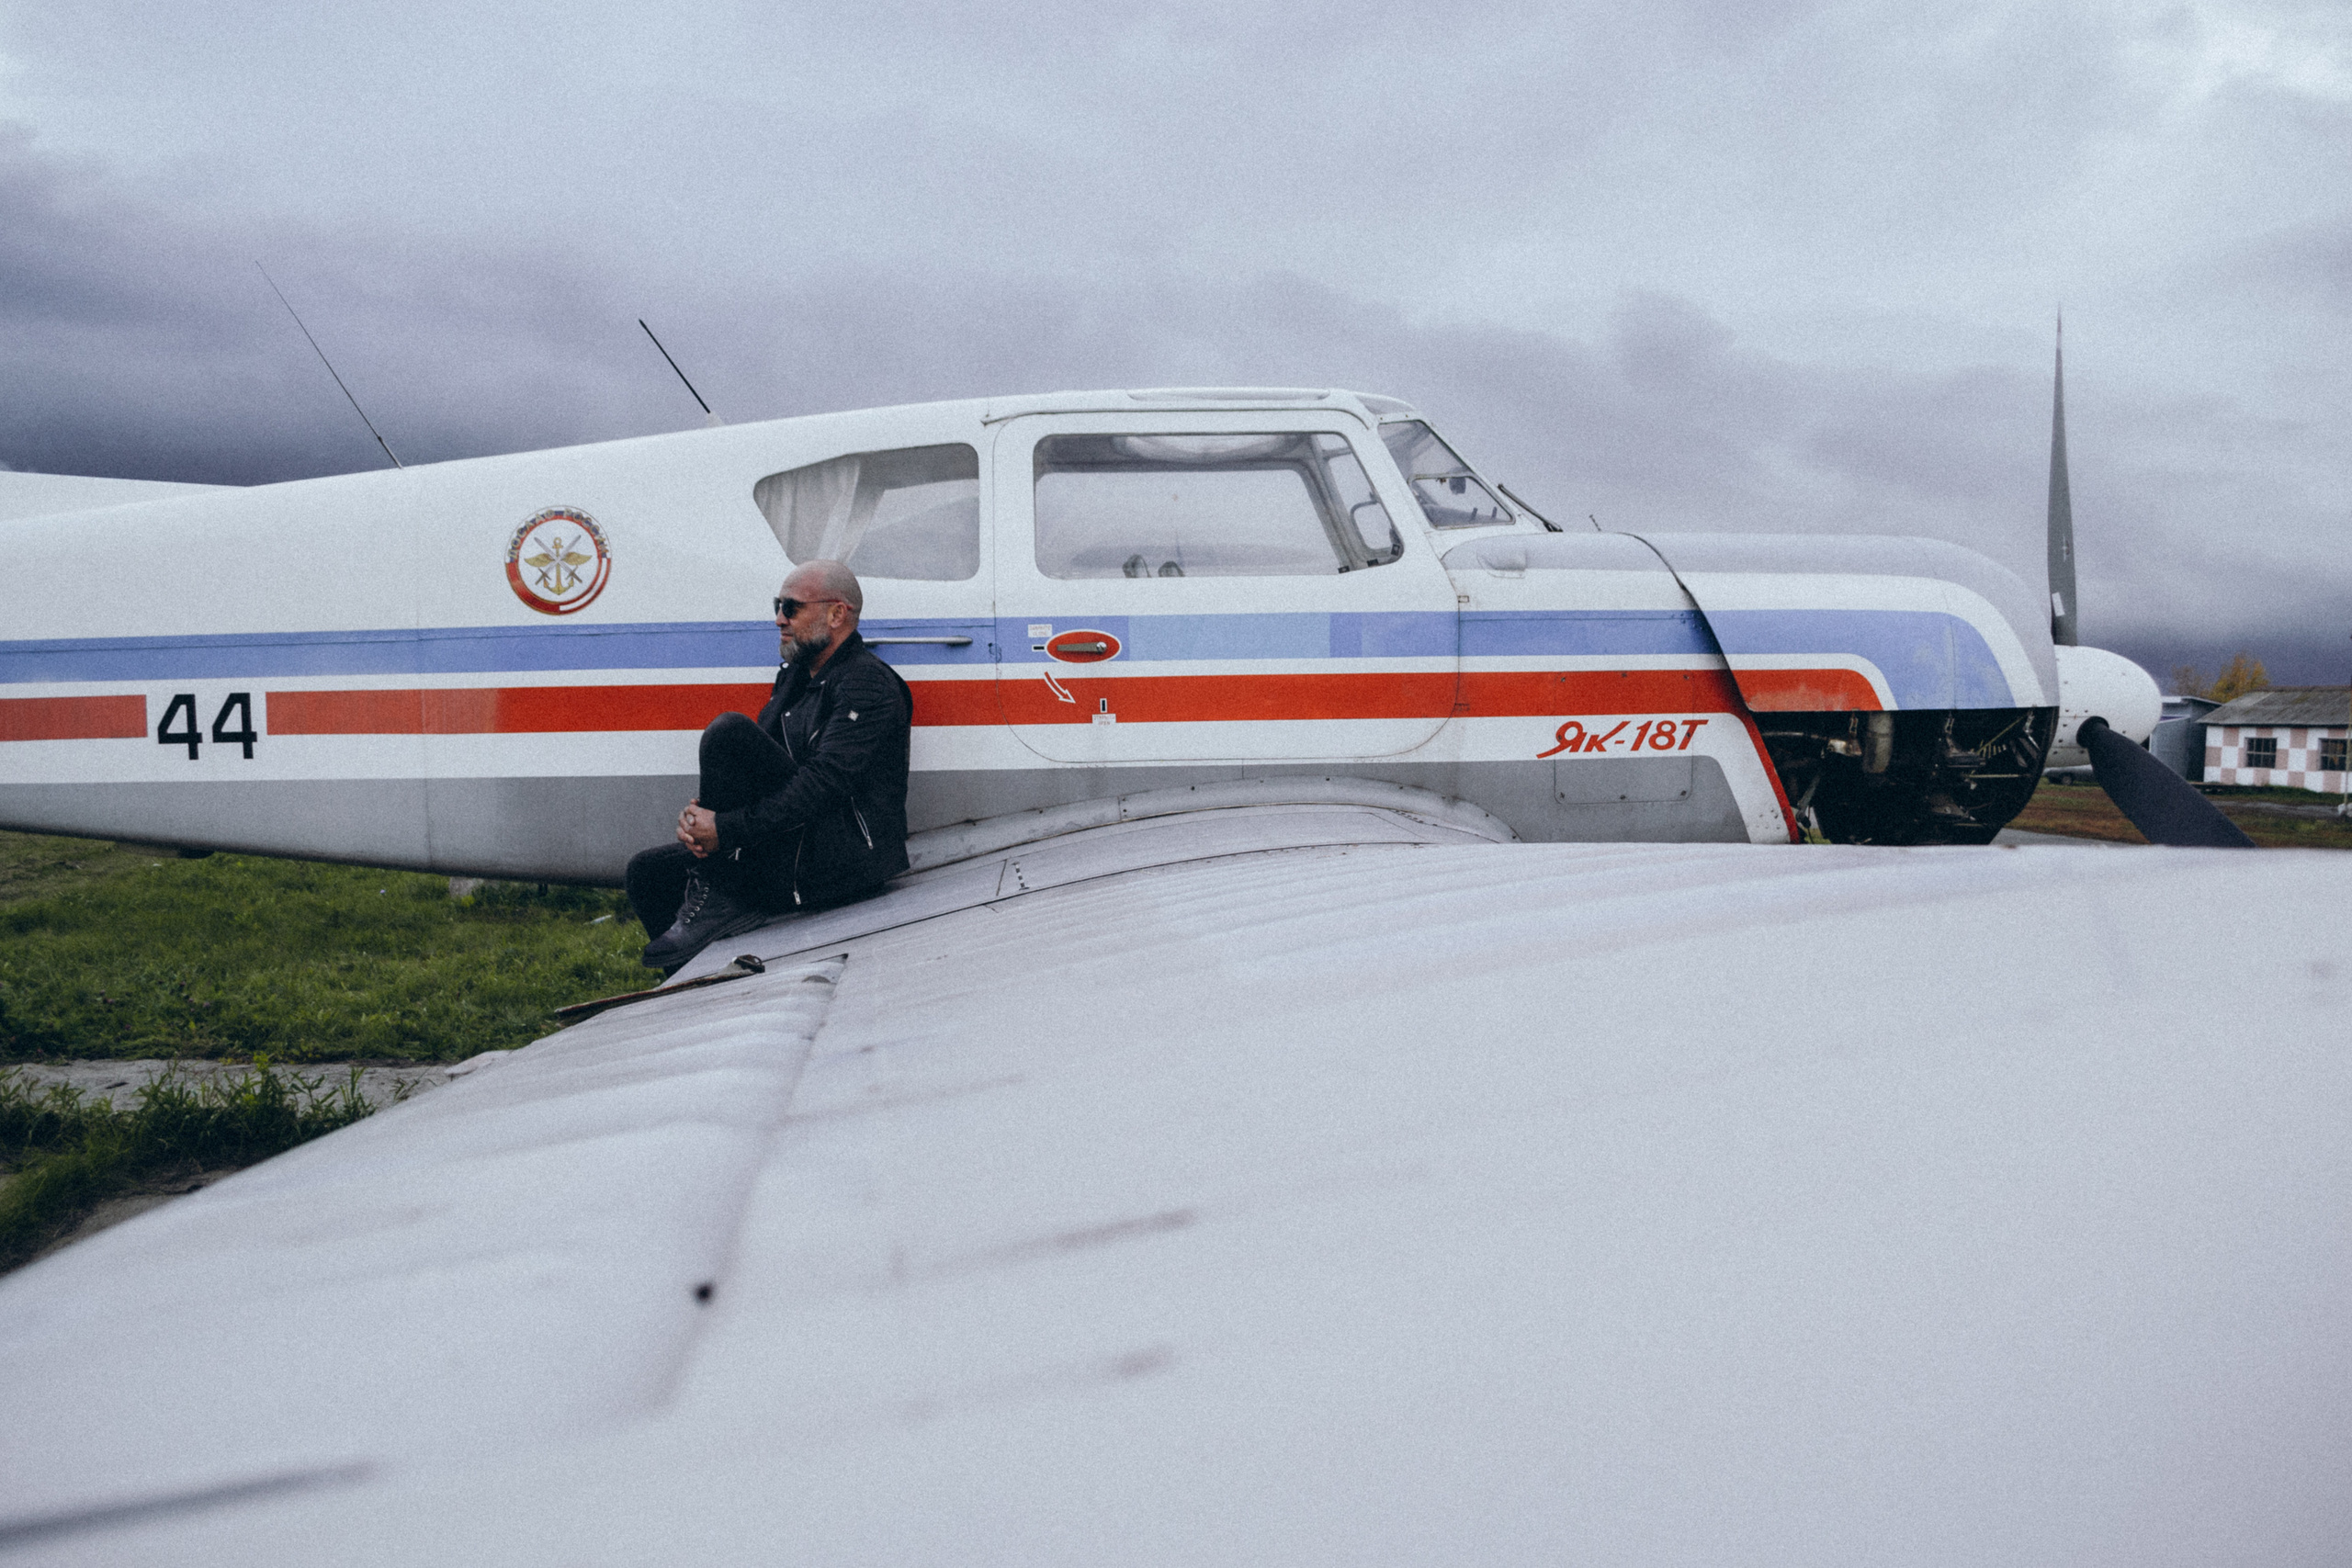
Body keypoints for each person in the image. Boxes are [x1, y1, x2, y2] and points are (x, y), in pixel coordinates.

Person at [626, 559, 911, 970]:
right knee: (647, 873)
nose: (779, 619)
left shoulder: (867, 683)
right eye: (778, 605)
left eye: (792, 608)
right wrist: (705, 821)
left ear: (836, 614)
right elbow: (757, 773)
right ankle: (690, 983)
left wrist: (725, 830)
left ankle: (720, 893)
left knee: (728, 732)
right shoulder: (795, 678)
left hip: (843, 859)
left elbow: (823, 784)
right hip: (798, 842)